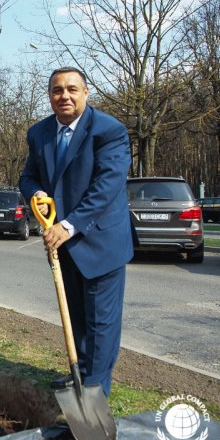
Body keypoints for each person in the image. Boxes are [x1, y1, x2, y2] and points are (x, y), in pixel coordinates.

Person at [19, 67, 134, 398]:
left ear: (86, 92)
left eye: (72, 89)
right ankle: (81, 373)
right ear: (49, 95)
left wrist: (69, 226)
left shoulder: (109, 131)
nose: (64, 96)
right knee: (77, 318)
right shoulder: (39, 133)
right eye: (57, 90)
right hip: (62, 245)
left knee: (100, 325)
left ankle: (95, 393)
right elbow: (28, 177)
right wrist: (36, 192)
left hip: (100, 242)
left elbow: (107, 186)